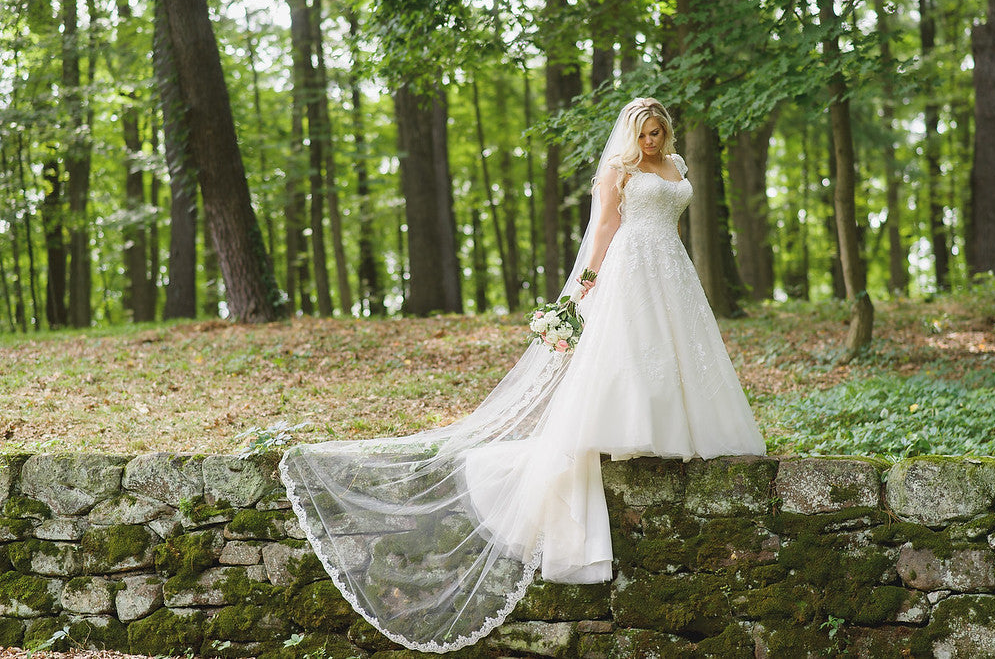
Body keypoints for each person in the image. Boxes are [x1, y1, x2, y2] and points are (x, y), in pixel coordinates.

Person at [279, 97, 766, 653]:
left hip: (672, 266)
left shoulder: (678, 168)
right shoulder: (618, 169)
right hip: (630, 263)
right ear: (632, 134)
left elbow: (673, 213)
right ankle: (629, 429)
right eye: (645, 133)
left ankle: (687, 430)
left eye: (659, 132)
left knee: (681, 353)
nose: (653, 141)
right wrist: (585, 284)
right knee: (632, 352)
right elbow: (604, 225)